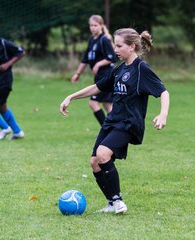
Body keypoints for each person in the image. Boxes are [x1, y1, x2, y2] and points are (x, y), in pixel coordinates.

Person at [60, 28, 170, 214]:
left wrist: (163, 114)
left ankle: (118, 202)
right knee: (95, 162)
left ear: (132, 46)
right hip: (112, 121)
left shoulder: (141, 69)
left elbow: (163, 92)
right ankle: (112, 203)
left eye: (119, 46)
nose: (115, 50)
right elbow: (97, 87)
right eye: (114, 45)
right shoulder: (119, 70)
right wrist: (71, 96)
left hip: (128, 123)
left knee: (103, 154)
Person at [70, 15, 117, 126]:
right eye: (91, 25)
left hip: (106, 76)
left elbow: (112, 58)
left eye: (95, 25)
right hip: (99, 76)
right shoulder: (92, 40)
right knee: (107, 105)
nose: (93, 28)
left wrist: (98, 64)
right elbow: (85, 59)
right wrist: (77, 73)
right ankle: (115, 128)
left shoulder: (104, 39)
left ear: (101, 25)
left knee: (93, 103)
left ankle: (106, 130)